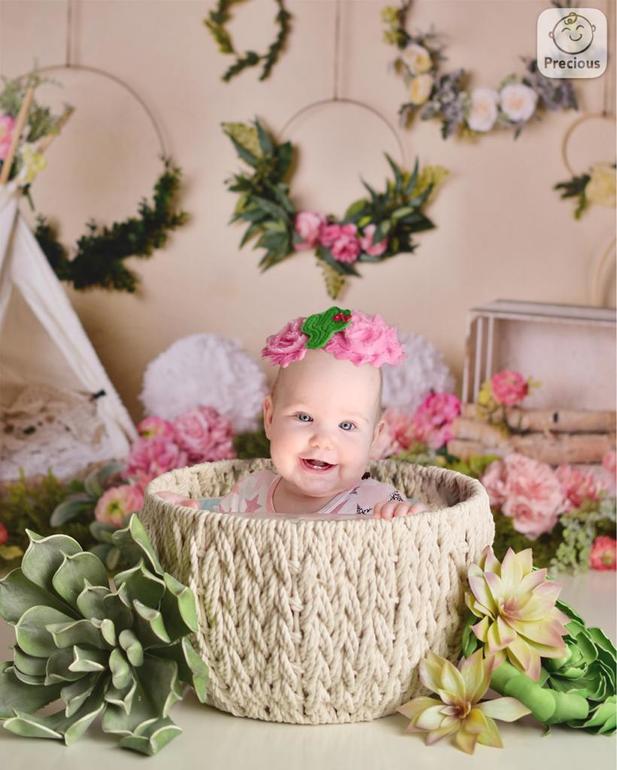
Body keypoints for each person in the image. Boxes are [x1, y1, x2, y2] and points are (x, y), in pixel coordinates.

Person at [157, 307, 427, 519]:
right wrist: (185, 509)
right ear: (270, 418)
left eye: (347, 425)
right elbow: (213, 529)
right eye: (304, 417)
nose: (322, 441)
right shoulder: (252, 491)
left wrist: (409, 518)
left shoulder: (378, 502)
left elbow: (421, 533)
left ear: (374, 437)